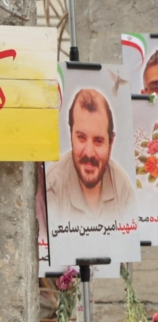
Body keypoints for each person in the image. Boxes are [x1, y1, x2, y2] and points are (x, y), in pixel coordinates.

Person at [46, 89, 137, 226]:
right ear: (71, 135)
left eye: (98, 141)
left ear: (110, 143)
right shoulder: (53, 187)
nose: (89, 153)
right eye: (81, 138)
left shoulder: (122, 188)